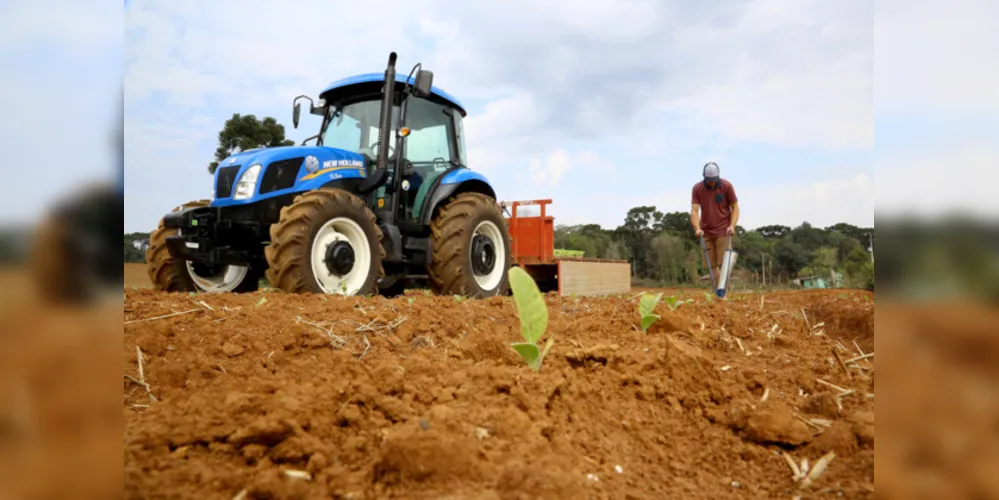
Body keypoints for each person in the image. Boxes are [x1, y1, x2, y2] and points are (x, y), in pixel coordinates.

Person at [690, 162, 739, 283]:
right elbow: (694, 211)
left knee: (724, 264)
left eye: (714, 180)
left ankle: (724, 292)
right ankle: (719, 292)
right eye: (709, 180)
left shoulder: (727, 186)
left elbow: (735, 207)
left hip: (723, 230)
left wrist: (732, 226)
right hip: (706, 231)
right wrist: (697, 228)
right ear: (704, 178)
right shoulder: (697, 189)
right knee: (711, 266)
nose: (712, 183)